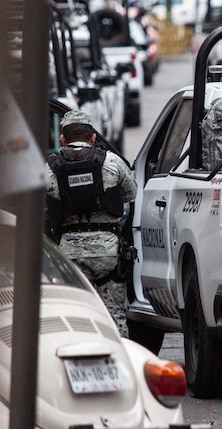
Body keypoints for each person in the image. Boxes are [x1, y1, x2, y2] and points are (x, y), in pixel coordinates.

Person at [45, 110, 138, 336]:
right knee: (115, 317)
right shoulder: (112, 162)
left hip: (69, 255)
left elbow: (42, 207)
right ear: (93, 137)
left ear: (62, 139)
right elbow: (130, 193)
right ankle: (119, 362)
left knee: (76, 317)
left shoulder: (49, 169)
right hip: (107, 253)